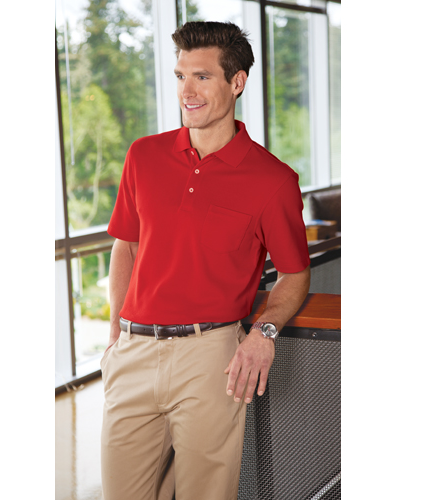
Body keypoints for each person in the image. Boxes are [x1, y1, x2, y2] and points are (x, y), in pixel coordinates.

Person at [100, 21, 310, 500]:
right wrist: (115, 335)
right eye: (180, 76)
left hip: (210, 358)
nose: (186, 91)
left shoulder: (273, 180)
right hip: (133, 351)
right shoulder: (143, 156)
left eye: (202, 77)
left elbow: (295, 274)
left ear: (237, 82)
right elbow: (126, 246)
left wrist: (264, 332)